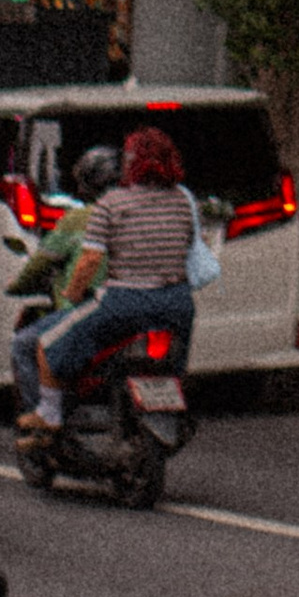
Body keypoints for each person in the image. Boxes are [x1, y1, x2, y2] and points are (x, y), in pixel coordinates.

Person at [25, 124, 195, 439]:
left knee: (47, 344)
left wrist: (73, 294)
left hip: (125, 303)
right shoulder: (183, 202)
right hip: (177, 305)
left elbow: (90, 260)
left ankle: (48, 413)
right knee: (172, 363)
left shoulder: (112, 204)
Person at [8, 148, 119, 422]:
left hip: (91, 310)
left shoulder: (78, 220)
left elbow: (40, 265)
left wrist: (16, 286)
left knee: (24, 344)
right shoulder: (140, 214)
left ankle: (43, 420)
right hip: (140, 308)